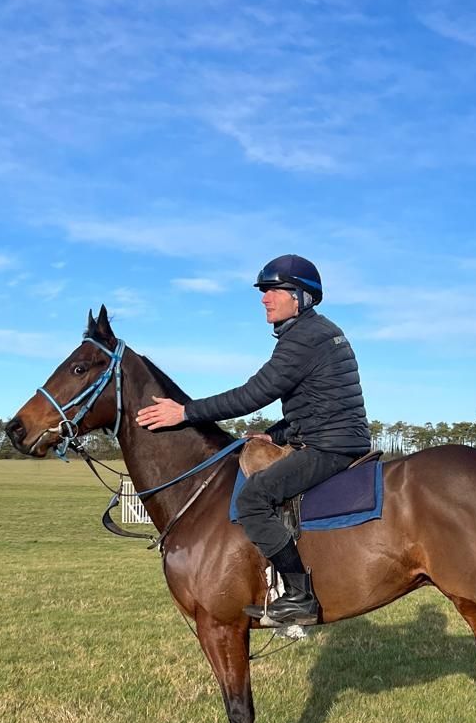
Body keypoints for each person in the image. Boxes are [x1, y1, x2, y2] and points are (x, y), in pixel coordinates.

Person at [135, 254, 371, 625]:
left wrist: (185, 412)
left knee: (253, 499)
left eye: (274, 290)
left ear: (300, 297)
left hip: (329, 447)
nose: (264, 298)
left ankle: (300, 596)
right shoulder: (316, 332)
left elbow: (253, 394)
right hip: (333, 437)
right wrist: (274, 434)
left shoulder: (306, 337)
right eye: (264, 291)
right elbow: (318, 405)